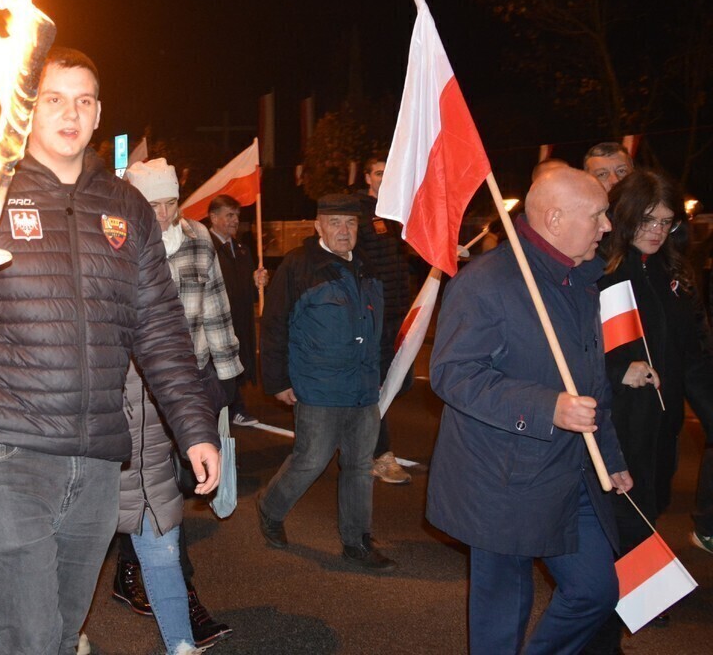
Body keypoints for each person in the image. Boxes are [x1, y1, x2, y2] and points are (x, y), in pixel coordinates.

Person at [0, 47, 220, 655]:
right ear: (28, 108)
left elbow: (160, 329)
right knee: (29, 635)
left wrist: (195, 427)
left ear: (98, 116)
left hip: (96, 456)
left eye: (85, 101)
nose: (71, 113)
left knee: (63, 632)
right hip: (1, 447)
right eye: (54, 99)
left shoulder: (125, 207)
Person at [427, 167, 632, 654]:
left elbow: (591, 381)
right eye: (598, 215)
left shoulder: (581, 278)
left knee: (596, 590)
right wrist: (547, 408)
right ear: (556, 218)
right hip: (502, 477)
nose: (607, 227)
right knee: (502, 614)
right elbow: (453, 374)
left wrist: (612, 453)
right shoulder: (486, 283)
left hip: (573, 469)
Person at [111, 160, 237, 653]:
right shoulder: (116, 243)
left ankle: (146, 584)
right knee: (137, 494)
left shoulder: (198, 240)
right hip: (128, 392)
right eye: (152, 204)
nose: (163, 214)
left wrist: (225, 383)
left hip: (186, 385)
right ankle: (173, 594)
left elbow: (217, 308)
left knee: (168, 494)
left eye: (170, 203)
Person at [584, 169, 713, 652]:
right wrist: (619, 369)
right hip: (614, 424)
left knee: (649, 509)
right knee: (621, 517)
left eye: (667, 222)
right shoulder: (597, 269)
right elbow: (571, 345)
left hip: (662, 425)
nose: (657, 231)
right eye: (648, 220)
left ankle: (629, 599)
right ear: (624, 217)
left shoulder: (677, 277)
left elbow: (697, 356)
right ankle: (606, 624)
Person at [256, 193, 395, 570]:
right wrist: (278, 379)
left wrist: (381, 375)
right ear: (318, 226)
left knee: (359, 466)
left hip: (363, 389)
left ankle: (357, 541)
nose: (343, 230)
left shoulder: (366, 268)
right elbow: (273, 325)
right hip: (318, 387)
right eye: (334, 222)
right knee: (311, 460)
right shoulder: (299, 266)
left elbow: (379, 327)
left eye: (350, 223)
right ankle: (271, 507)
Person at [354, 156, 414, 485]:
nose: (383, 177)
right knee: (379, 387)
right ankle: (380, 454)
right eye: (378, 172)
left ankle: (359, 431)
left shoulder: (397, 213)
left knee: (401, 381)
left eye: (388, 172)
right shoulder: (361, 212)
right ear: (368, 177)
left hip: (398, 312)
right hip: (374, 315)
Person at [207, 194, 269, 426]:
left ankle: (232, 407)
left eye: (237, 216)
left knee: (236, 364)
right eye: (229, 215)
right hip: (217, 322)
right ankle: (232, 409)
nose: (235, 220)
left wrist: (256, 282)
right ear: (213, 218)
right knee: (221, 369)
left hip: (239, 321)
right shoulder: (205, 247)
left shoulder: (241, 249)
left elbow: (246, 291)